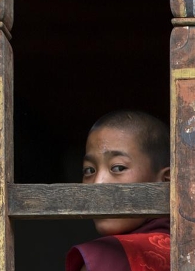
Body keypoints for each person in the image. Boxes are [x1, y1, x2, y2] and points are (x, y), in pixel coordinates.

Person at [65, 110, 171, 271]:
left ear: (165, 181)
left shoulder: (105, 258)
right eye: (89, 171)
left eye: (118, 167)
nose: (98, 184)